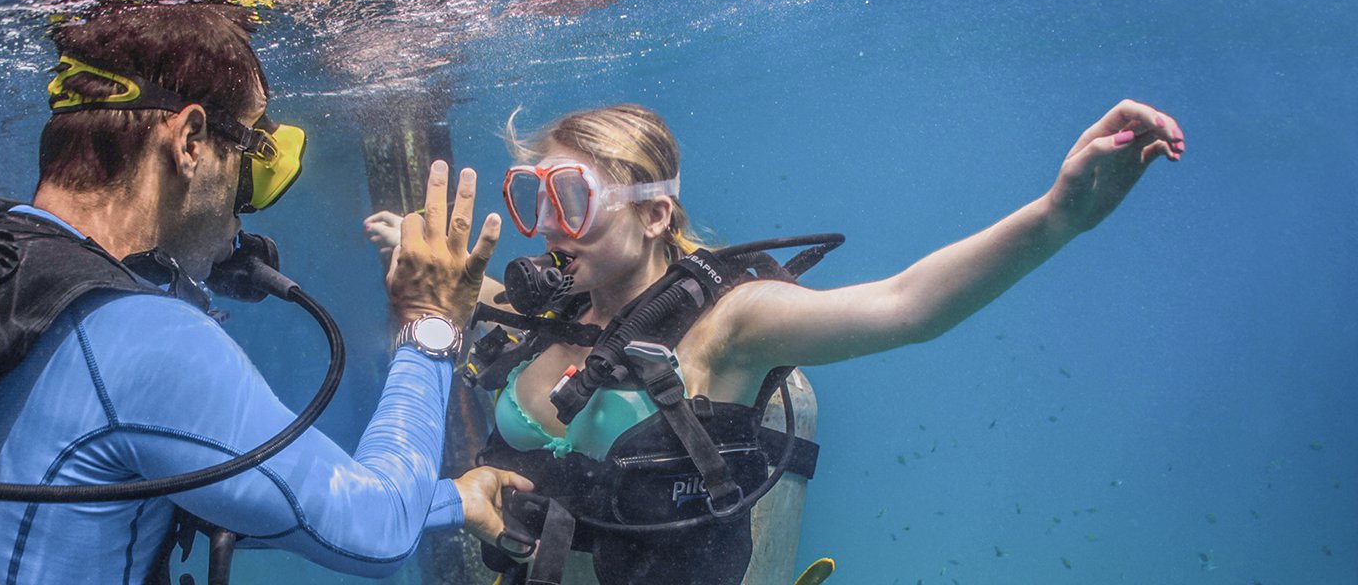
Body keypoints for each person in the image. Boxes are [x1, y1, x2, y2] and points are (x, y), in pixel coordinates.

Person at [0, 3, 531, 585]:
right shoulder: (137, 336)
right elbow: (373, 529)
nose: (246, 202)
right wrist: (430, 327)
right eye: (252, 158)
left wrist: (453, 499)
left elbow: (133, 484)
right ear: (191, 141)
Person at [364, 101, 1185, 584]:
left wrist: (1057, 216)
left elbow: (907, 305)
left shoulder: (733, 325)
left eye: (572, 199)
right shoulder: (552, 308)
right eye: (533, 198)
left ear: (656, 214)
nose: (548, 228)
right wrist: (414, 252)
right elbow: (482, 302)